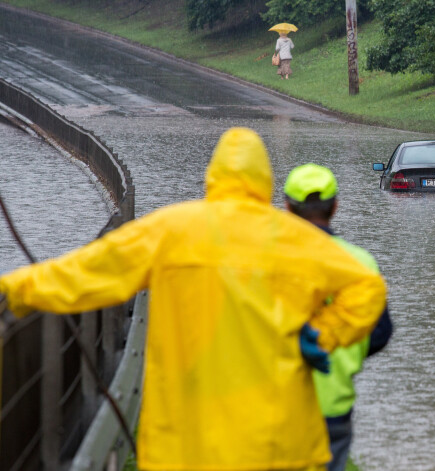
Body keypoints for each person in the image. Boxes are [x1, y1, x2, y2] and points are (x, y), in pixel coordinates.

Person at [0, 128, 387, 471]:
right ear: (266, 181)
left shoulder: (171, 229)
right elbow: (367, 286)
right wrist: (324, 334)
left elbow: (85, 273)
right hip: (279, 445)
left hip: (185, 448)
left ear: (212, 178)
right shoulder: (297, 239)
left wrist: (15, 290)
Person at [283, 163, 393, 471]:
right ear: (336, 206)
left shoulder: (266, 259)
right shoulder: (361, 262)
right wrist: (345, 351)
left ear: (287, 206)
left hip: (274, 405)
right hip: (334, 404)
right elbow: (380, 334)